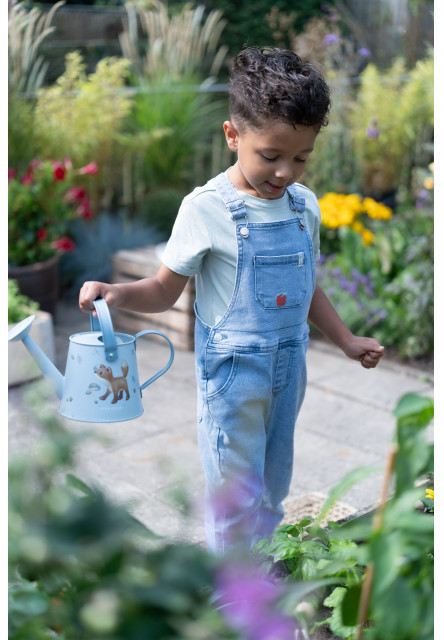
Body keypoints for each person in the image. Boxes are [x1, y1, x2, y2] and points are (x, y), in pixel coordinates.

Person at [79, 47, 384, 554]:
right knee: (235, 496)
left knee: (272, 489)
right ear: (233, 136)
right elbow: (162, 290)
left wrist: (347, 340)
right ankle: (230, 595)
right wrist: (116, 293)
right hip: (234, 374)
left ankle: (260, 580)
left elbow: (307, 286)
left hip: (290, 368)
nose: (286, 172)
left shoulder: (303, 205)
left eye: (301, 157)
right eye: (271, 155)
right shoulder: (206, 209)